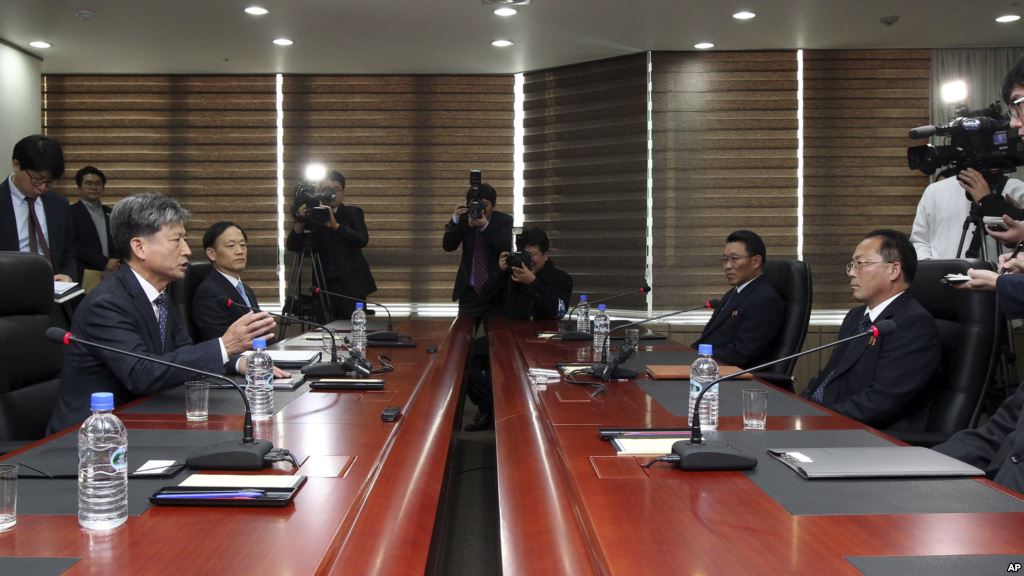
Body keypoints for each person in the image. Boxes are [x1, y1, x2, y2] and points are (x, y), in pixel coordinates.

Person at [47, 193, 280, 433]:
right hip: (91, 436)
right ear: (139, 247)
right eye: (176, 240)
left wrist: (238, 361)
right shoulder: (106, 303)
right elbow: (141, 373)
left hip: (144, 420)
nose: (187, 250)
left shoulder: (160, 296)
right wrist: (226, 345)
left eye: (185, 240)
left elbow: (182, 353)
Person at [932, 59, 1024, 492]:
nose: (1017, 126)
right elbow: (991, 439)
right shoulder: (936, 194)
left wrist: (1001, 283)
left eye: (1021, 107)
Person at [800, 229, 940, 431]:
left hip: (870, 436)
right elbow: (831, 374)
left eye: (861, 264)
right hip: (828, 421)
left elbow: (880, 401)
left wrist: (819, 420)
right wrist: (800, 406)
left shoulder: (913, 324)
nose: (851, 272)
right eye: (852, 264)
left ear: (893, 270)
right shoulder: (855, 317)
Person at [286, 170, 376, 319]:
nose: (331, 194)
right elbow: (293, 246)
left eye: (336, 189)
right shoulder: (314, 215)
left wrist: (336, 226)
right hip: (323, 286)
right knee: (324, 332)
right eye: (326, 190)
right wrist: (300, 222)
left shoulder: (353, 213)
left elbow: (362, 239)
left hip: (350, 285)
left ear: (343, 193)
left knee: (352, 330)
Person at [692, 230, 784, 369]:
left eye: (734, 259)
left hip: (737, 379)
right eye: (725, 260)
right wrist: (687, 354)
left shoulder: (765, 299)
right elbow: (710, 339)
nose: (727, 266)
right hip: (712, 368)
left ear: (756, 261)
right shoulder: (735, 292)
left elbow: (742, 354)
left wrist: (700, 360)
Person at [0, 134, 76, 282]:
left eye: (49, 182)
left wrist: (68, 276)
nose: (42, 188)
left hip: (52, 296)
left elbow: (69, 251)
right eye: (36, 179)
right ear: (16, 165)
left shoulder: (59, 204)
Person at [910, 170, 1024, 261]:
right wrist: (929, 271)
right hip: (941, 280)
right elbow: (920, 241)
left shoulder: (1016, 189)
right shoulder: (935, 191)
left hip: (1001, 282)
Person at [442, 182, 513, 318]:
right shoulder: (464, 220)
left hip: (495, 293)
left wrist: (485, 227)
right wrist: (455, 220)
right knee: (464, 336)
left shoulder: (504, 221)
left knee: (496, 337)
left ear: (494, 205)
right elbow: (448, 246)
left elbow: (504, 248)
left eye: (484, 205)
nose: (480, 209)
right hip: (469, 293)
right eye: (475, 204)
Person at [192, 221, 261, 341]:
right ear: (212, 254)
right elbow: (219, 343)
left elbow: (260, 333)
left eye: (243, 245)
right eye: (230, 246)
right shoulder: (209, 293)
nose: (240, 251)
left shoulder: (246, 290)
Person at [486, 227, 573, 321]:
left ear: (545, 255)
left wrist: (533, 282)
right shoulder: (513, 274)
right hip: (512, 332)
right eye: (524, 254)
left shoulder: (561, 279)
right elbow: (484, 299)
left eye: (531, 255)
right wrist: (500, 272)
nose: (528, 259)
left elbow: (558, 312)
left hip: (544, 333)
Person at [69, 165, 120, 283]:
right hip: (84, 273)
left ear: (103, 187)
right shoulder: (70, 212)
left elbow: (120, 239)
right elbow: (73, 245)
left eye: (98, 183)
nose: (93, 187)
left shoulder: (111, 212)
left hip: (113, 271)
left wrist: (114, 263)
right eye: (88, 183)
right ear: (79, 187)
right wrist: (104, 262)